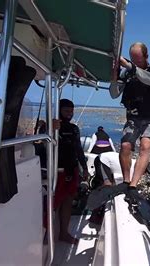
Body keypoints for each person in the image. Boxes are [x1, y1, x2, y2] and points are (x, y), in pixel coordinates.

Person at [118, 42, 150, 190]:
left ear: (146, 56)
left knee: (145, 145)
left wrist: (130, 67)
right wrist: (115, 76)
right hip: (134, 117)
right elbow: (114, 93)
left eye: (138, 59)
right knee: (126, 145)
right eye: (133, 59)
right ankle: (126, 182)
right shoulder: (127, 72)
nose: (135, 63)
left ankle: (133, 185)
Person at [55, 98, 89, 244]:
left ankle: (64, 232)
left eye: (71, 111)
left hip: (72, 169)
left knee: (68, 200)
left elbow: (79, 150)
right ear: (59, 110)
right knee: (54, 203)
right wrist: (49, 129)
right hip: (56, 171)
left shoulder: (74, 129)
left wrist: (85, 167)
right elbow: (42, 145)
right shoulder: (50, 127)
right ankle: (45, 234)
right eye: (66, 111)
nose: (69, 114)